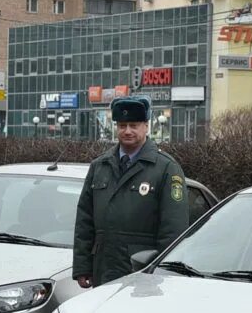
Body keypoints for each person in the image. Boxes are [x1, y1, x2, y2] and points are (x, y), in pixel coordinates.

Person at [72, 97, 192, 288]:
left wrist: (162, 271)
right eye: (122, 125)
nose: (127, 131)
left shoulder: (166, 168)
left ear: (146, 126)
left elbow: (173, 228)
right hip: (104, 269)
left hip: (142, 270)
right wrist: (82, 266)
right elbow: (84, 221)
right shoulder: (100, 166)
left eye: (133, 125)